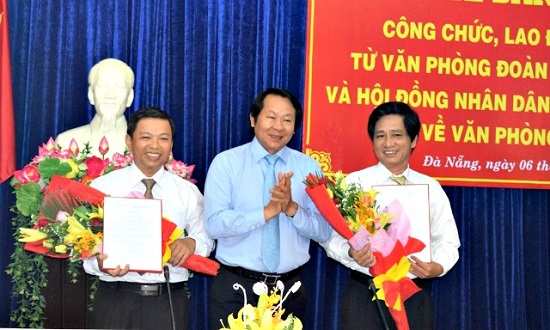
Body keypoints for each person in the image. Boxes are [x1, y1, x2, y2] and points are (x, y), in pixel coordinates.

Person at [321, 101, 460, 330]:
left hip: (414, 294)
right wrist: (351, 252)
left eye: (397, 135)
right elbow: (329, 237)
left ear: (413, 140)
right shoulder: (354, 184)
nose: (388, 143)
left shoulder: (430, 187)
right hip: (365, 296)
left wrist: (437, 267)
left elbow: (448, 242)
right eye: (380, 136)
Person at [204, 88, 332, 329]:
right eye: (271, 117)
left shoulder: (309, 168)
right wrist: (267, 212)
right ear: (253, 120)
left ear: (295, 127)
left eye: (287, 120)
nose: (278, 126)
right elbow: (214, 224)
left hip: (289, 292)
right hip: (236, 289)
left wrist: (292, 208)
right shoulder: (226, 163)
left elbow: (324, 231)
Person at [83, 107, 214, 329]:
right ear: (128, 141)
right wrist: (100, 264)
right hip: (115, 299)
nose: (155, 146)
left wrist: (192, 243)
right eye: (146, 137)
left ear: (171, 145)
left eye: (163, 139)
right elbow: (84, 246)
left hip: (168, 301)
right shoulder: (102, 188)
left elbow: (207, 237)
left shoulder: (187, 192)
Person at [55, 58, 135, 158]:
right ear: (91, 94)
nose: (110, 95)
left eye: (119, 87)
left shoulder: (142, 146)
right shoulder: (65, 142)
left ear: (130, 97)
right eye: (102, 86)